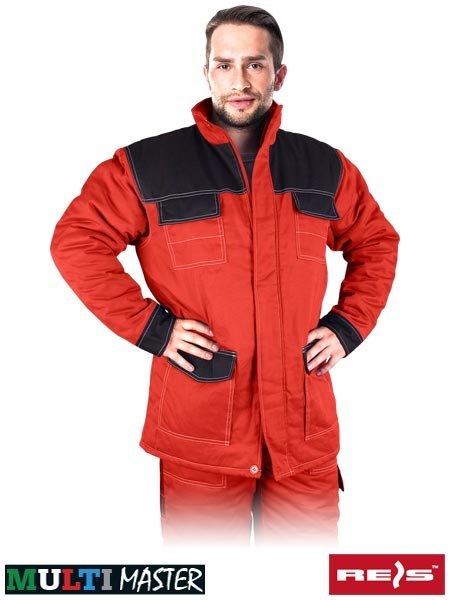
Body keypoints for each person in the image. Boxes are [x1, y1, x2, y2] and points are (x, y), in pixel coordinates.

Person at [50, 5, 400, 547]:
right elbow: (77, 241)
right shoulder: (147, 166)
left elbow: (376, 241)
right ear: (207, 71)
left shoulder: (323, 165)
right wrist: (153, 329)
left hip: (302, 434)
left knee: (303, 577)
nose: (239, 81)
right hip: (201, 430)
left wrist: (348, 326)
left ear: (279, 74)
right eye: (224, 65)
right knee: (210, 577)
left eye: (255, 64)